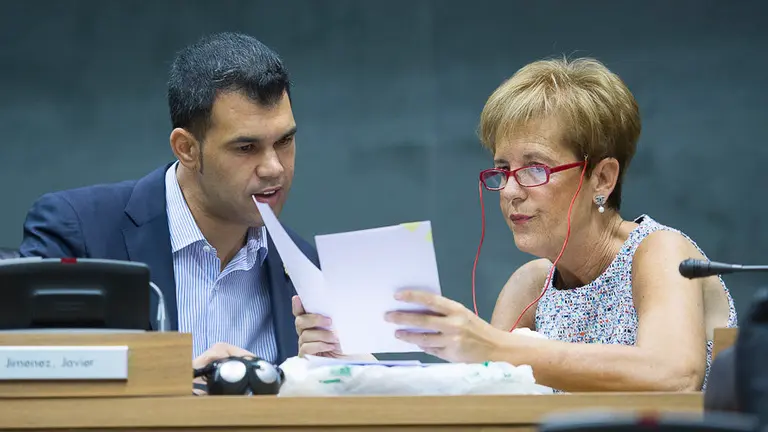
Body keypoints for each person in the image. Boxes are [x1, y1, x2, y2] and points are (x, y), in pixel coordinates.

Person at [293, 56, 738, 392]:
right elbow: (475, 402)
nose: (509, 190)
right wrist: (351, 364)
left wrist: (498, 347)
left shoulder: (660, 250)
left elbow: (674, 373)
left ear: (602, 177)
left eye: (534, 168)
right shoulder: (529, 286)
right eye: (501, 169)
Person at [18, 32, 317, 390]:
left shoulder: (309, 270)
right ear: (186, 149)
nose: (274, 168)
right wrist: (170, 383)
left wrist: (327, 379)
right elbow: (23, 377)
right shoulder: (76, 230)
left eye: (284, 141)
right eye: (246, 147)